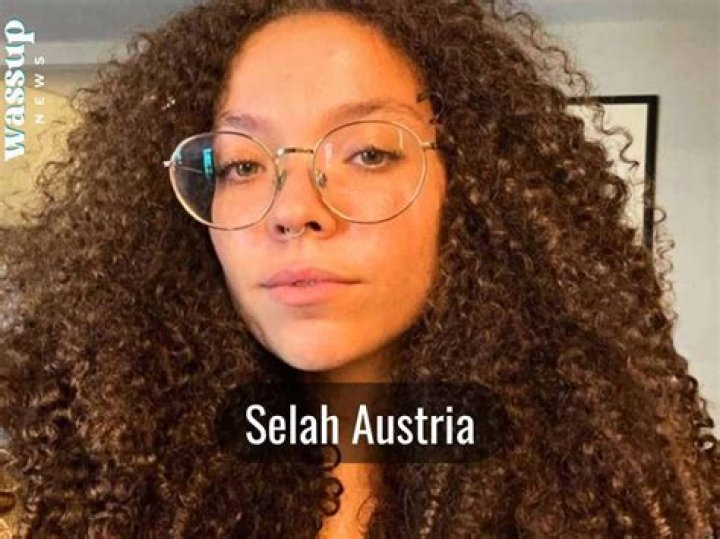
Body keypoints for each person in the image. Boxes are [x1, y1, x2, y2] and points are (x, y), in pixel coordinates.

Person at [0, 0, 717, 537]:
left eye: (369, 153)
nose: (293, 210)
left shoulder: (615, 498)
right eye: (243, 164)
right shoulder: (105, 500)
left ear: (474, 192)